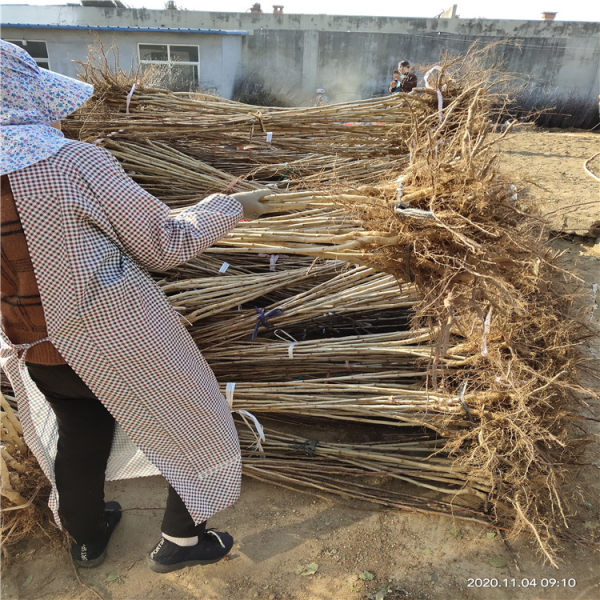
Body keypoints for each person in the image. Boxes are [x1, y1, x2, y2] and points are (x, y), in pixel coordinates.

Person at [0, 40, 270, 573]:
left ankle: (86, 537)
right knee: (195, 424)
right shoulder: (70, 163)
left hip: (34, 348)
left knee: (81, 431)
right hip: (116, 338)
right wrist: (230, 206)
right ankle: (182, 543)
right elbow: (163, 243)